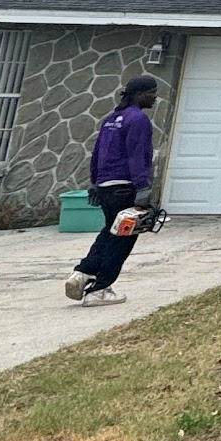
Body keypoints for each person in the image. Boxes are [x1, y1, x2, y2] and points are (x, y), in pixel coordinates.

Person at [65, 75, 160, 303]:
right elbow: (137, 155)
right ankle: (101, 289)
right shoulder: (138, 119)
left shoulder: (111, 119)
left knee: (110, 232)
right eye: (151, 92)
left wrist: (94, 182)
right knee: (122, 240)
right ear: (138, 95)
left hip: (105, 187)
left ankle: (84, 271)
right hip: (125, 188)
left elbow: (98, 154)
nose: (155, 97)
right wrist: (143, 189)